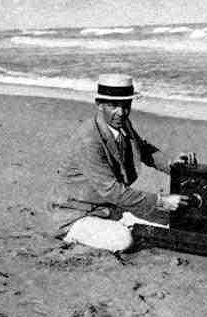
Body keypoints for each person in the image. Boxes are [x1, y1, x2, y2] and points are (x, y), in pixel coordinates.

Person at [48, 73, 196, 252]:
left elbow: (143, 149)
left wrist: (172, 165)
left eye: (126, 105)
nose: (121, 112)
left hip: (108, 208)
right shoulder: (88, 140)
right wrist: (161, 201)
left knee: (170, 224)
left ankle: (119, 224)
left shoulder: (121, 124)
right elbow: (113, 190)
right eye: (113, 106)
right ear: (99, 104)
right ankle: (73, 235)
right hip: (76, 214)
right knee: (123, 240)